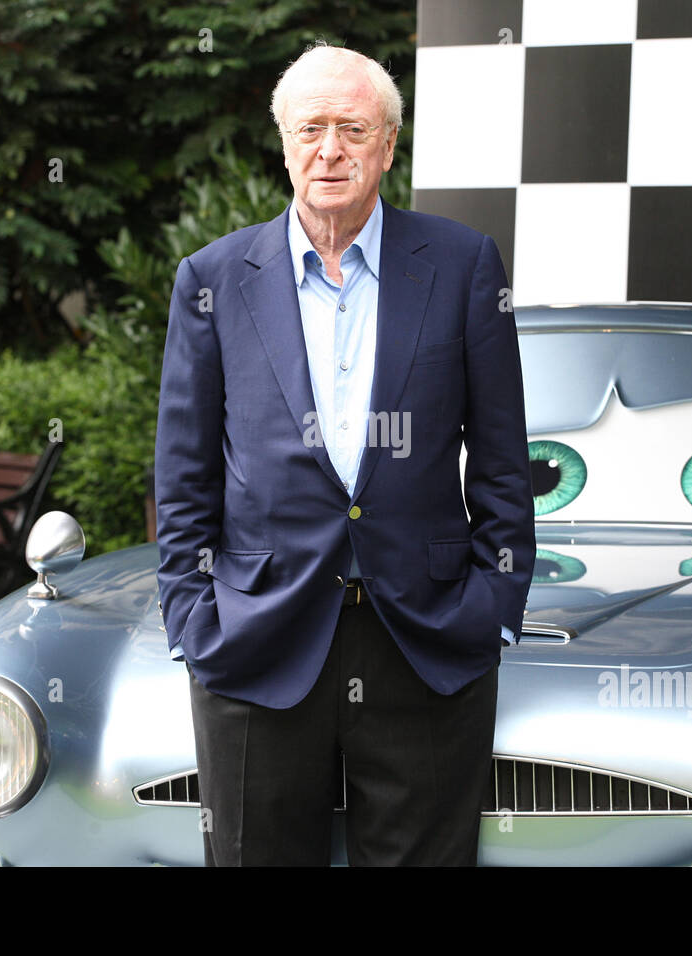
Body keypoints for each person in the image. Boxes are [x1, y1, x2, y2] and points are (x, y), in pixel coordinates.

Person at [154, 42, 535, 866]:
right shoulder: (213, 278)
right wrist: (192, 619)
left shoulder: (464, 265)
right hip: (257, 638)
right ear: (285, 142)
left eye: (352, 129)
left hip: (425, 640)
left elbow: (503, 456)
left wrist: (493, 607)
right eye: (311, 129)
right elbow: (183, 475)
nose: (330, 149)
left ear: (388, 146)